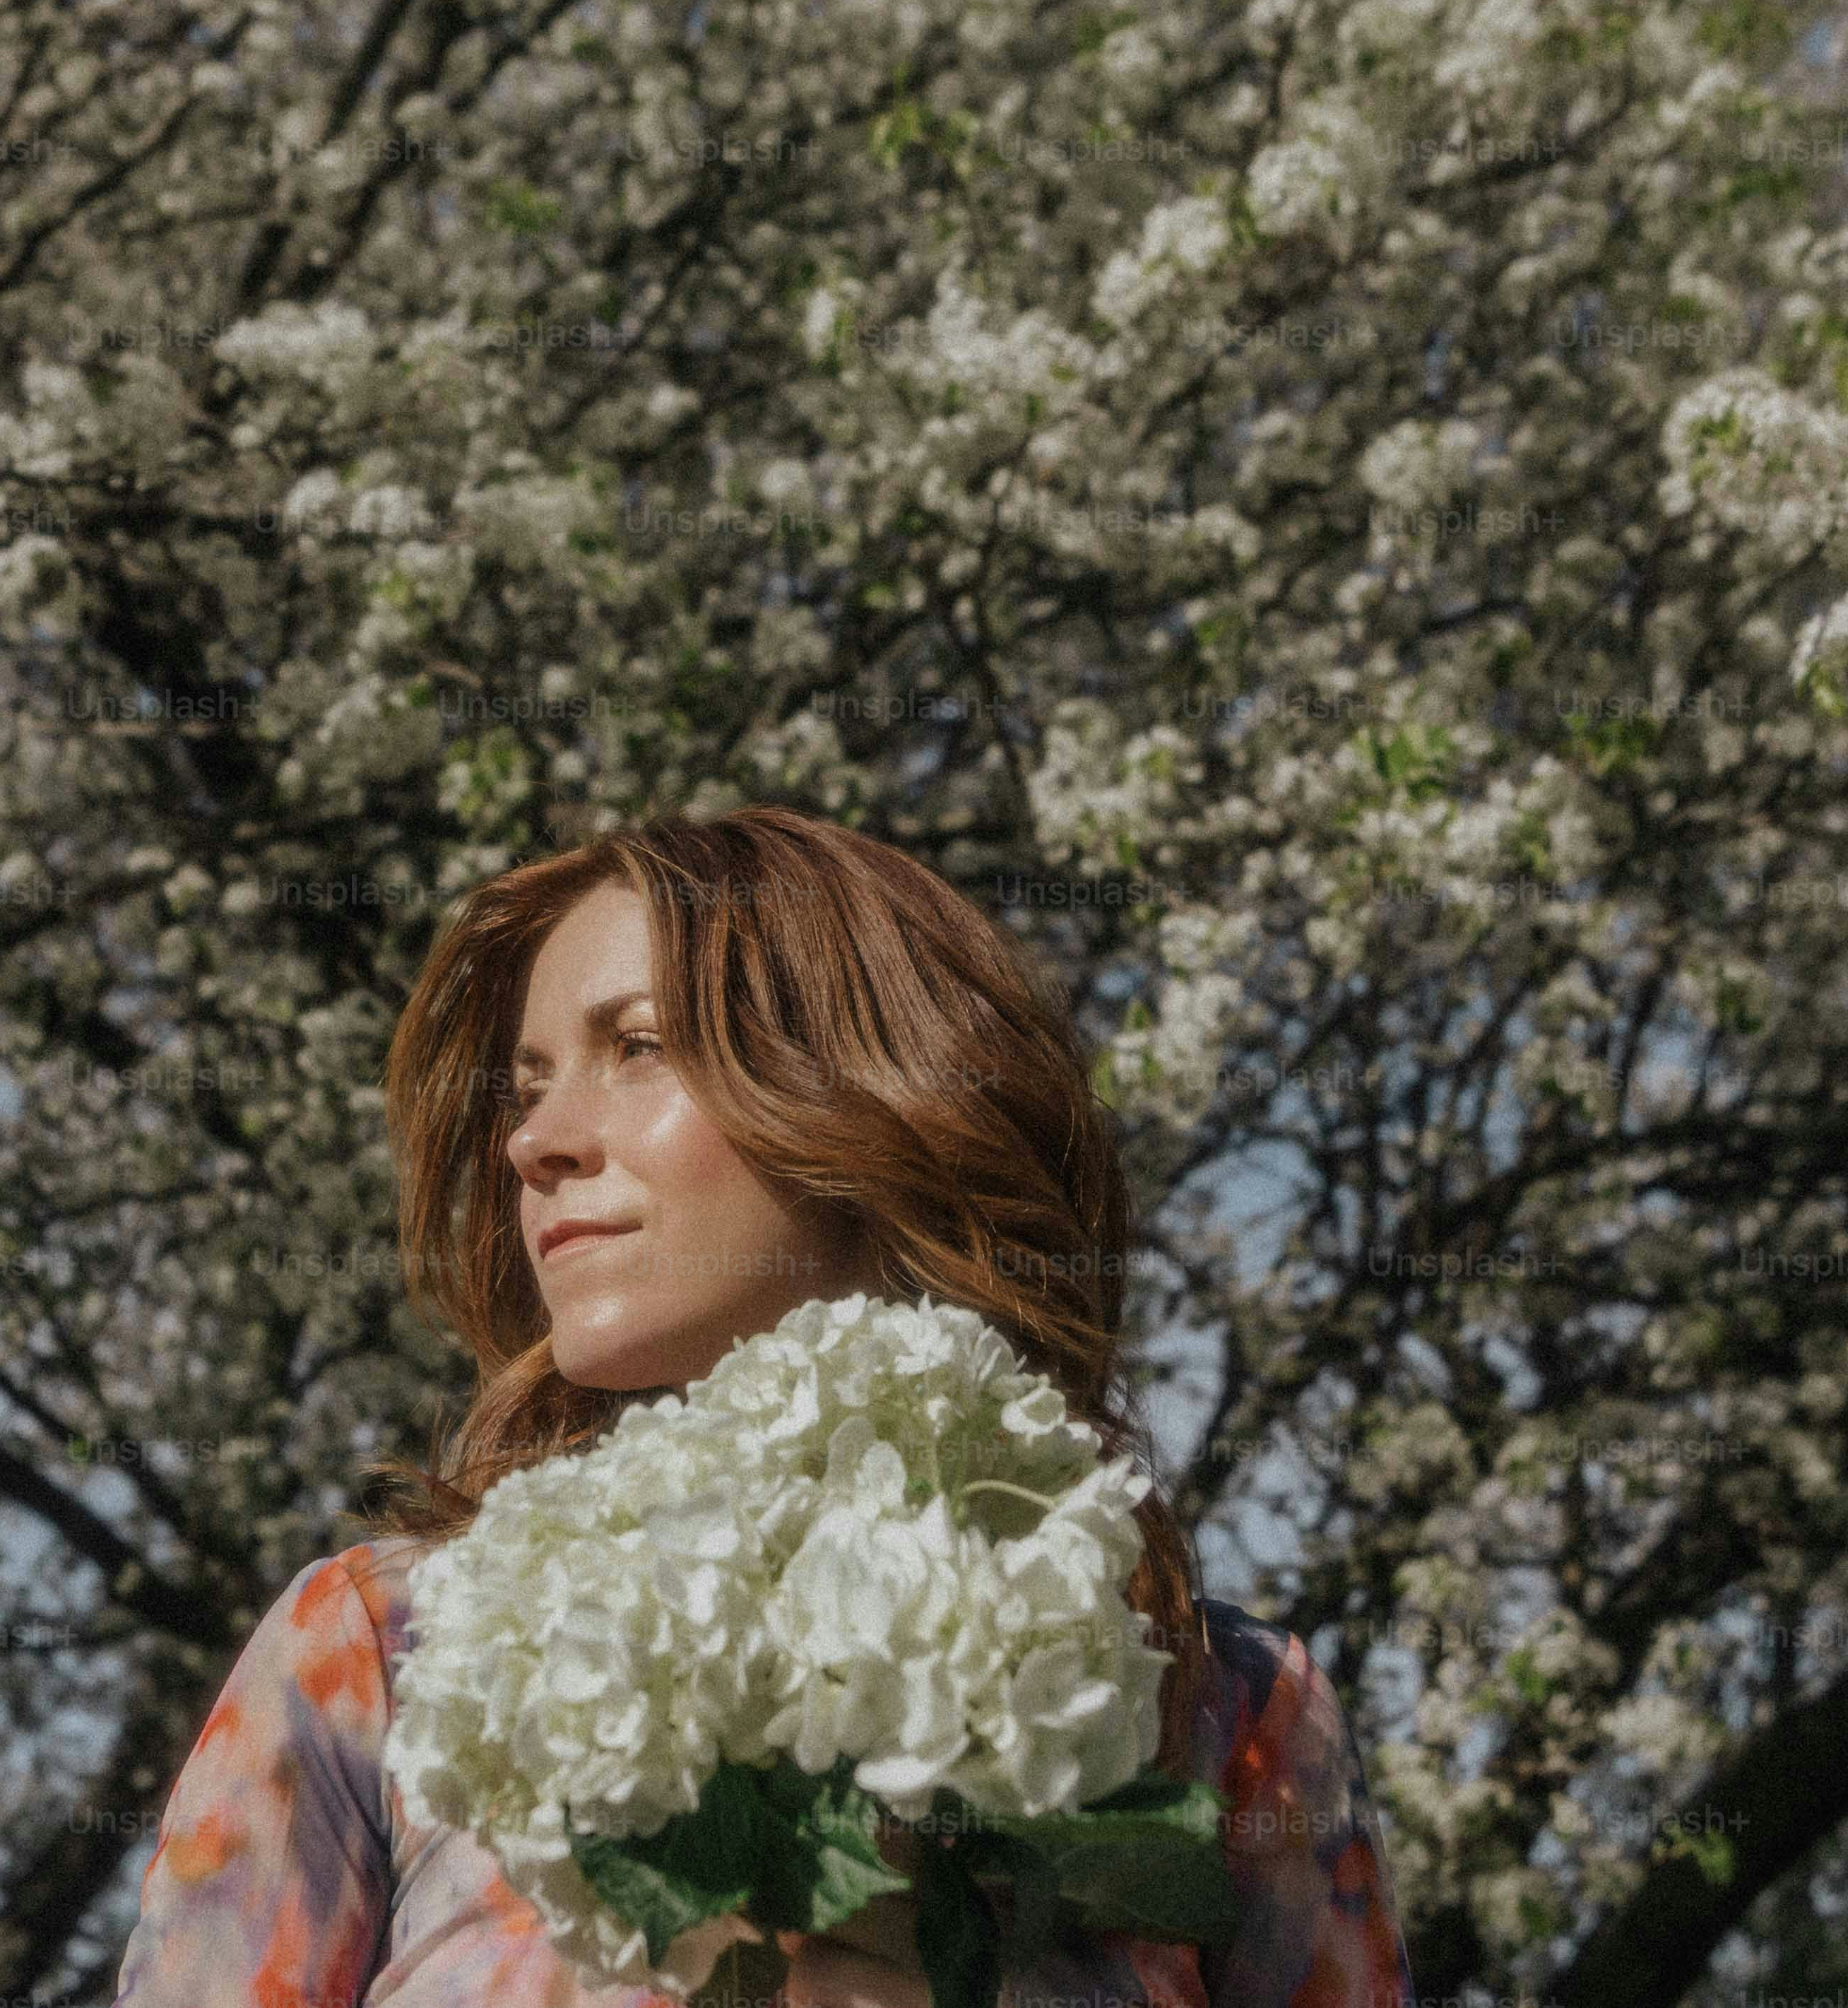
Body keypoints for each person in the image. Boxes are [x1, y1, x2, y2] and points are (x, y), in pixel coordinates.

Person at [108, 805, 1416, 2008]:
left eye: (636, 1047)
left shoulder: (1228, 1717)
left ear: (873, 1091)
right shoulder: (382, 1656)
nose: (536, 1140)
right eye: (527, 1087)